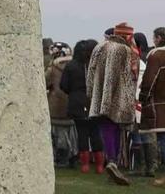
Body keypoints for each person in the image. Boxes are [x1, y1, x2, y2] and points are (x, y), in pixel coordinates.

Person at [88, 22, 140, 185]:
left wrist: (91, 94)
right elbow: (130, 77)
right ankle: (113, 162)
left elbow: (90, 72)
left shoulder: (99, 47)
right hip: (119, 97)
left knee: (106, 128)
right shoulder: (127, 51)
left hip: (100, 96)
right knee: (117, 128)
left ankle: (111, 161)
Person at [62, 39, 104, 174]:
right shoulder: (99, 66)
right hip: (95, 102)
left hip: (77, 103)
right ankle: (99, 166)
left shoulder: (71, 66)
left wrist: (74, 92)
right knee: (96, 134)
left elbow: (64, 86)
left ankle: (85, 166)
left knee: (82, 135)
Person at [138, 27, 165, 186]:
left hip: (157, 103)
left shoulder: (157, 56)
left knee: (160, 138)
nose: (153, 40)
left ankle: (156, 171)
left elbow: (150, 80)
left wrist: (143, 97)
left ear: (160, 38)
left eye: (154, 37)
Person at [47, 42, 77, 167]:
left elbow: (45, 81)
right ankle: (72, 154)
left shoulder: (53, 68)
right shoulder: (76, 66)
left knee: (57, 133)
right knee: (69, 132)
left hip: (55, 104)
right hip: (71, 104)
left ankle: (61, 158)